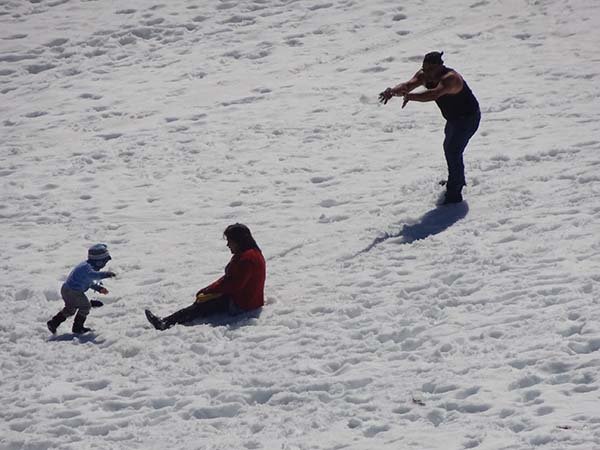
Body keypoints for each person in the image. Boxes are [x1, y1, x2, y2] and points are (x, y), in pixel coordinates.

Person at [379, 51, 480, 204]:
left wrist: (411, 97)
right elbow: (408, 85)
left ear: (440, 66)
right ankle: (457, 180)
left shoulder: (451, 79)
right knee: (450, 148)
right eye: (424, 68)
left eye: (430, 69)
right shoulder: (424, 75)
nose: (427, 73)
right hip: (453, 119)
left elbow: (434, 94)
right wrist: (393, 91)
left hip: (468, 119)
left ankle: (454, 194)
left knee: (453, 151)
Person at [145, 223, 266, 331]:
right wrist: (208, 289)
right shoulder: (251, 253)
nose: (228, 245)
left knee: (200, 307)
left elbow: (233, 285)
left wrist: (210, 292)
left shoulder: (246, 259)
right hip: (249, 299)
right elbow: (229, 279)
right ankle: (167, 321)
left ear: (239, 241)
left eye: (230, 241)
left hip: (243, 304)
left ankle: (165, 323)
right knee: (205, 300)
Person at [47, 244, 116, 334]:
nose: (104, 265)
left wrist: (99, 288)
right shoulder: (87, 268)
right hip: (73, 292)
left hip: (67, 289)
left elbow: (88, 281)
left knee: (70, 309)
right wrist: (107, 274)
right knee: (85, 307)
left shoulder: (87, 266)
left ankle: (53, 323)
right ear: (99, 261)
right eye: (104, 262)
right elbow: (93, 276)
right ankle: (78, 328)